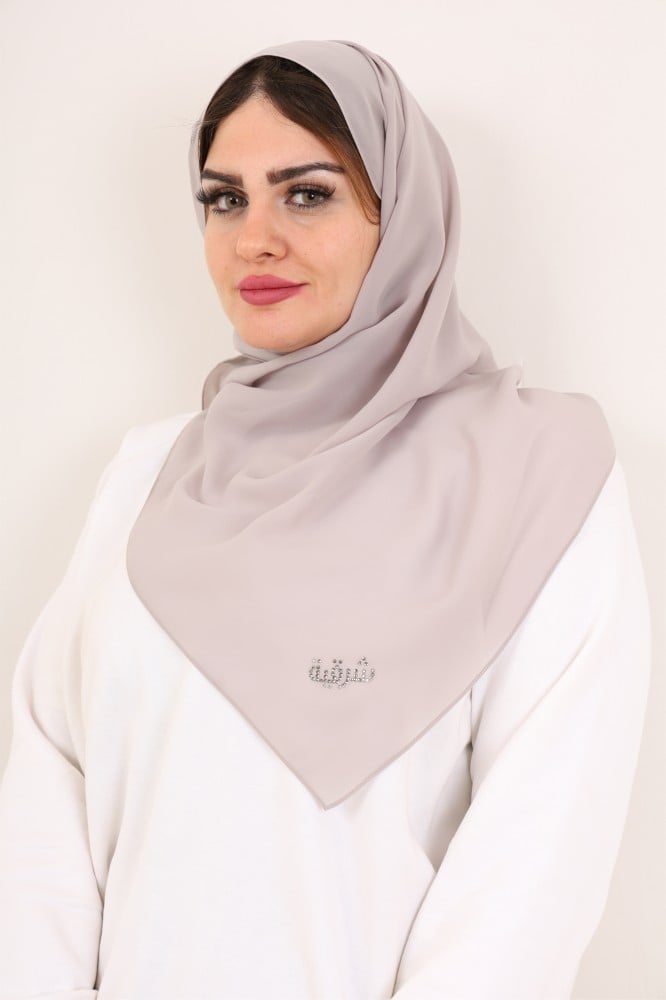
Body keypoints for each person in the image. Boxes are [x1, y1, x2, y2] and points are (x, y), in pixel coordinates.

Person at [0, 39, 651, 1000]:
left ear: (404, 213)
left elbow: (534, 867)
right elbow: (44, 809)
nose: (253, 238)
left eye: (307, 194)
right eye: (224, 199)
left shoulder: (539, 473)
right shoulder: (147, 474)